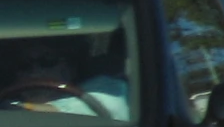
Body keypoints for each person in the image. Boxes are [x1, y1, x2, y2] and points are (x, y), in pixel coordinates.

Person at [0, 37, 128, 120]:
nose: (35, 72)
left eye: (47, 61)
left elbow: (106, 105)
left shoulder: (105, 88)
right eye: (24, 65)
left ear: (70, 67)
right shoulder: (7, 102)